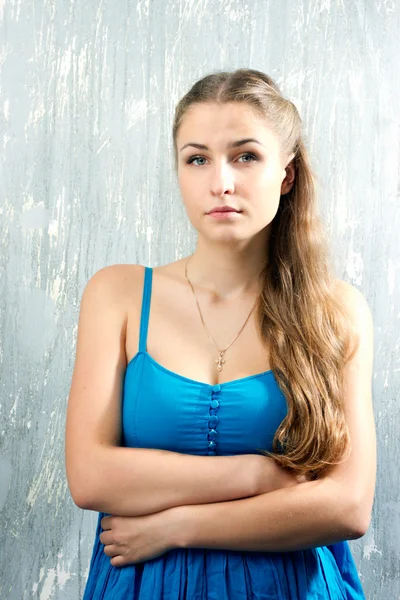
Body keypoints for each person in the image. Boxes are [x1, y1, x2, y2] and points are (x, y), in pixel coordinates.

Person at [65, 68, 376, 599]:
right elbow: (90, 478)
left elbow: (347, 507)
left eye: (245, 156)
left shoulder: (336, 310)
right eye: (198, 158)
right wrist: (256, 476)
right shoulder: (116, 294)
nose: (220, 182)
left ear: (287, 173)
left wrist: (176, 527)